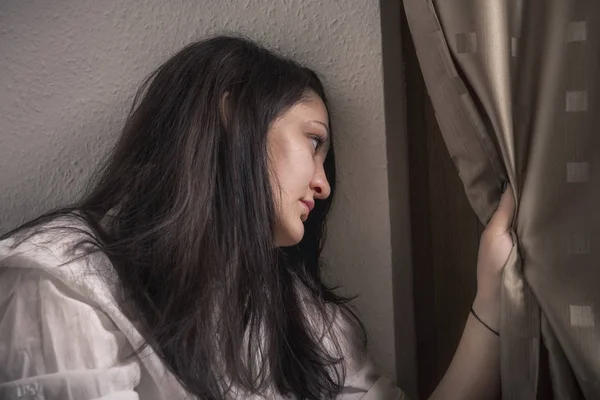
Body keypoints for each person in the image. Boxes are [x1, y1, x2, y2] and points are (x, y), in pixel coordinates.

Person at [0, 35, 515, 400]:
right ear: (231, 116)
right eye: (313, 142)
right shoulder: (59, 285)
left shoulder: (299, 314)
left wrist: (492, 298)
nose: (324, 183)